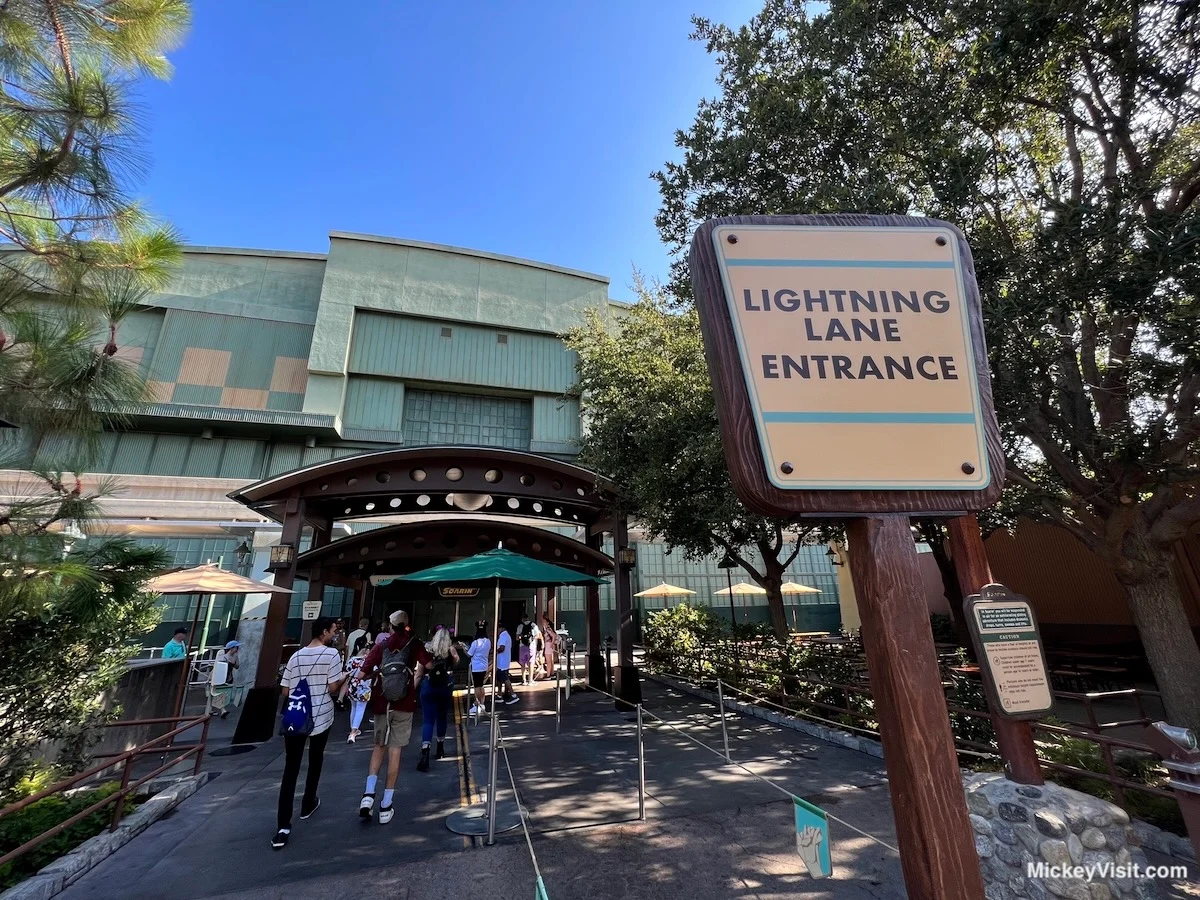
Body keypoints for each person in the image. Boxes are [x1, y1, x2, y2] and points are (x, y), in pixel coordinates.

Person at [273, 617, 346, 849]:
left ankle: (283, 825)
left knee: (290, 768)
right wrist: (345, 677)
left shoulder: (295, 656)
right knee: (316, 758)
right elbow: (333, 687)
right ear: (324, 632)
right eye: (333, 631)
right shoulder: (331, 655)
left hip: (296, 714)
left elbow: (285, 690)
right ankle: (308, 802)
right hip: (321, 714)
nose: (335, 635)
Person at [354, 609, 430, 824]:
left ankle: (368, 796)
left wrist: (378, 673)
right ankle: (386, 805)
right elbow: (429, 664)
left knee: (379, 747)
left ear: (390, 625)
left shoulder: (381, 646)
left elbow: (361, 674)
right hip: (404, 704)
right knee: (395, 753)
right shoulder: (414, 644)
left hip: (381, 702)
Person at [416, 626, 459, 771]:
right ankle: (440, 746)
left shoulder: (427, 649)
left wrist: (411, 689)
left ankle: (425, 749)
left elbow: (419, 673)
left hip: (429, 685)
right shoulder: (450, 649)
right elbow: (457, 661)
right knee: (442, 717)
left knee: (428, 720)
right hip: (444, 686)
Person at [345, 637, 372, 743]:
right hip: (364, 687)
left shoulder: (352, 660)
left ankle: (353, 728)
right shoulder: (368, 662)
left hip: (352, 686)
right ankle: (353, 732)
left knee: (353, 708)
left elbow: (347, 672)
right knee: (360, 709)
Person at [207, 640, 240, 718]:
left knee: (219, 693)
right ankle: (222, 710)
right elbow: (217, 666)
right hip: (219, 676)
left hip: (228, 676)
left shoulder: (235, 656)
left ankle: (210, 710)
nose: (237, 649)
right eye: (236, 647)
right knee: (218, 692)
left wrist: (233, 663)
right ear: (231, 648)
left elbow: (237, 666)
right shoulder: (222, 655)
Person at [466, 622, 491, 716]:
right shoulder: (488, 641)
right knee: (481, 686)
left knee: (476, 686)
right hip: (484, 665)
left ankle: (477, 704)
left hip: (476, 666)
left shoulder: (475, 642)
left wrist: (464, 649)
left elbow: (469, 654)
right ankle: (482, 703)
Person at [495, 624, 519, 706]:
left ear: (501, 628)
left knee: (504, 677)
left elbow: (502, 648)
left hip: (502, 661)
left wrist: (495, 651)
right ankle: (499, 694)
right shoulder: (506, 635)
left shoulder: (503, 636)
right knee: (499, 678)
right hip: (503, 661)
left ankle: (513, 694)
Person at [516, 614, 535, 685]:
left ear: (522, 619)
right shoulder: (533, 625)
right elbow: (538, 635)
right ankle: (530, 680)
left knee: (523, 664)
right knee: (531, 663)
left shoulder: (520, 626)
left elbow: (517, 638)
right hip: (531, 646)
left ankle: (524, 680)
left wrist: (522, 637)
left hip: (522, 646)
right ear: (528, 618)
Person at [541, 613, 557, 680]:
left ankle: (548, 675)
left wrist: (551, 643)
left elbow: (553, 635)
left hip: (548, 644)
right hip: (549, 644)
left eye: (544, 622)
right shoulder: (547, 628)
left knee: (548, 661)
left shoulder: (547, 629)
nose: (543, 623)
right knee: (550, 660)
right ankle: (551, 673)